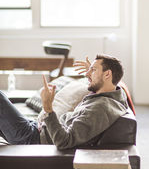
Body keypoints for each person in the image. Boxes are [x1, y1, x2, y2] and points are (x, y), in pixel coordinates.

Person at [0, 54, 129, 149]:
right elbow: (109, 84)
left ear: (107, 75)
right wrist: (93, 73)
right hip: (38, 128)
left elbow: (64, 142)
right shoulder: (115, 94)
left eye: (93, 70)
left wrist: (48, 109)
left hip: (33, 139)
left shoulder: (100, 109)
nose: (86, 74)